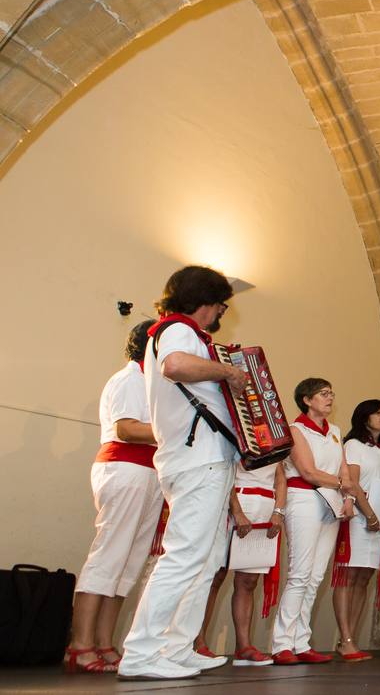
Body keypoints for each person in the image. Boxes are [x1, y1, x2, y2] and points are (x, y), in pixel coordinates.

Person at [118, 266, 248, 681]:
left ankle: (176, 645)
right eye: (221, 305)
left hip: (203, 458)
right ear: (205, 301)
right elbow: (175, 365)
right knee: (184, 556)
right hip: (196, 458)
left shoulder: (186, 334)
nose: (220, 314)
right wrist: (228, 371)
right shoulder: (177, 329)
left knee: (206, 558)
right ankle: (141, 651)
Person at [68, 320, 162, 674]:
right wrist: (176, 428)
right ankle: (80, 645)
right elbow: (126, 428)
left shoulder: (151, 382)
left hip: (150, 473)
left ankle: (105, 642)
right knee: (109, 555)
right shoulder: (129, 379)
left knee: (130, 562)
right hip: (125, 467)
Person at [271, 377, 354, 665]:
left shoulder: (335, 431)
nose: (329, 398)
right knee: (300, 573)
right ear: (306, 400)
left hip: (331, 501)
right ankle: (282, 642)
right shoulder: (295, 430)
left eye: (331, 393)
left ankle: (300, 641)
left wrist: (349, 498)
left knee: (317, 575)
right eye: (323, 394)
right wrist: (345, 484)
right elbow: (308, 471)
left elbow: (343, 469)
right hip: (304, 498)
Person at [194, 457, 288, 667]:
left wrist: (278, 511)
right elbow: (225, 469)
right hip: (234, 503)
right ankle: (197, 643)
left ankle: (243, 647)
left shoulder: (274, 430)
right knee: (215, 576)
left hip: (265, 507)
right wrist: (236, 511)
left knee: (249, 581)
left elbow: (280, 477)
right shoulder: (237, 426)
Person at [333, 399, 380, 661]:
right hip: (361, 518)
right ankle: (345, 638)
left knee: (364, 578)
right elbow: (354, 484)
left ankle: (351, 638)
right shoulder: (354, 445)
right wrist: (369, 514)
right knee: (347, 577)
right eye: (378, 413)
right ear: (363, 417)